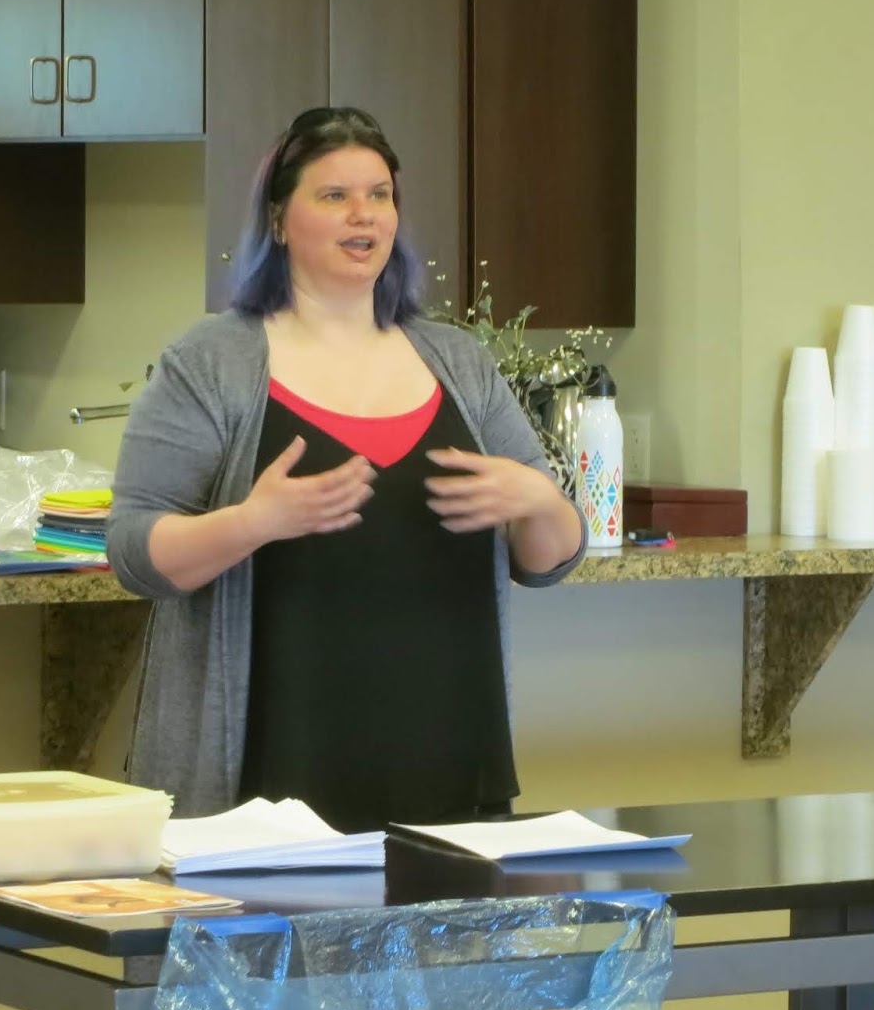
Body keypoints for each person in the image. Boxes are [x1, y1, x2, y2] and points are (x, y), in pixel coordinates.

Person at [107, 106, 585, 831]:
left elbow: (549, 560)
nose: (364, 214)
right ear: (278, 220)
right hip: (267, 786)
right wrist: (254, 523)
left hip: (453, 767)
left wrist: (540, 501)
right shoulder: (210, 364)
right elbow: (133, 553)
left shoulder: (458, 362)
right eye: (335, 195)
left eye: (379, 194)